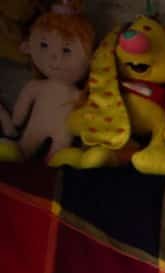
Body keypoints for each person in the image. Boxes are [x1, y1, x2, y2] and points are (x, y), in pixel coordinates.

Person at [0, 0, 94, 163]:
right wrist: (15, 121)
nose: (53, 56)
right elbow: (22, 109)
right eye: (44, 45)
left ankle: (57, 161)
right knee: (25, 148)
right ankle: (19, 155)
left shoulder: (78, 94)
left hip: (64, 133)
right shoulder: (36, 86)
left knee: (58, 154)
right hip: (32, 130)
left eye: (66, 50)